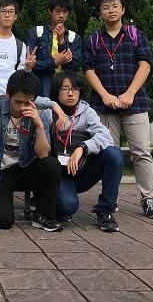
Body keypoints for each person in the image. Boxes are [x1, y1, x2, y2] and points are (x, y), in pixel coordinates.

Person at [83, 0, 153, 219]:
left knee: (142, 152)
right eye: (105, 7)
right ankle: (111, 199)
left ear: (123, 9)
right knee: (109, 153)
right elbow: (88, 69)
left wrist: (130, 93)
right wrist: (105, 95)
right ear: (99, 13)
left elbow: (145, 64)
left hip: (135, 103)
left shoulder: (136, 35)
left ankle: (149, 199)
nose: (111, 10)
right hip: (104, 105)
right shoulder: (93, 39)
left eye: (115, 6)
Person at [0, 70, 62, 231]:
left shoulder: (39, 114)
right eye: (17, 102)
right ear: (8, 94)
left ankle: (43, 215)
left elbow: (43, 154)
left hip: (26, 167)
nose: (21, 107)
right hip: (0, 172)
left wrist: (39, 125)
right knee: (3, 221)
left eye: (27, 102)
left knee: (51, 164)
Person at [47, 71, 123, 232]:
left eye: (75, 89)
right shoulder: (48, 111)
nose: (71, 93)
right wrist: (52, 105)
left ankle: (106, 210)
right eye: (65, 88)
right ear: (56, 91)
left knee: (114, 154)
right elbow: (33, 101)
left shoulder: (87, 112)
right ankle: (55, 202)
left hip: (82, 171)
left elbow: (106, 137)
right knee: (68, 206)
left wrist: (83, 147)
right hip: (58, 175)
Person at [25, 0, 82, 98]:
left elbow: (72, 67)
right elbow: (31, 65)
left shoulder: (74, 38)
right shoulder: (36, 33)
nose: (61, 15)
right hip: (40, 91)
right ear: (50, 11)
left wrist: (61, 42)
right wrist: (55, 62)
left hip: (64, 94)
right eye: (58, 11)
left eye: (65, 12)